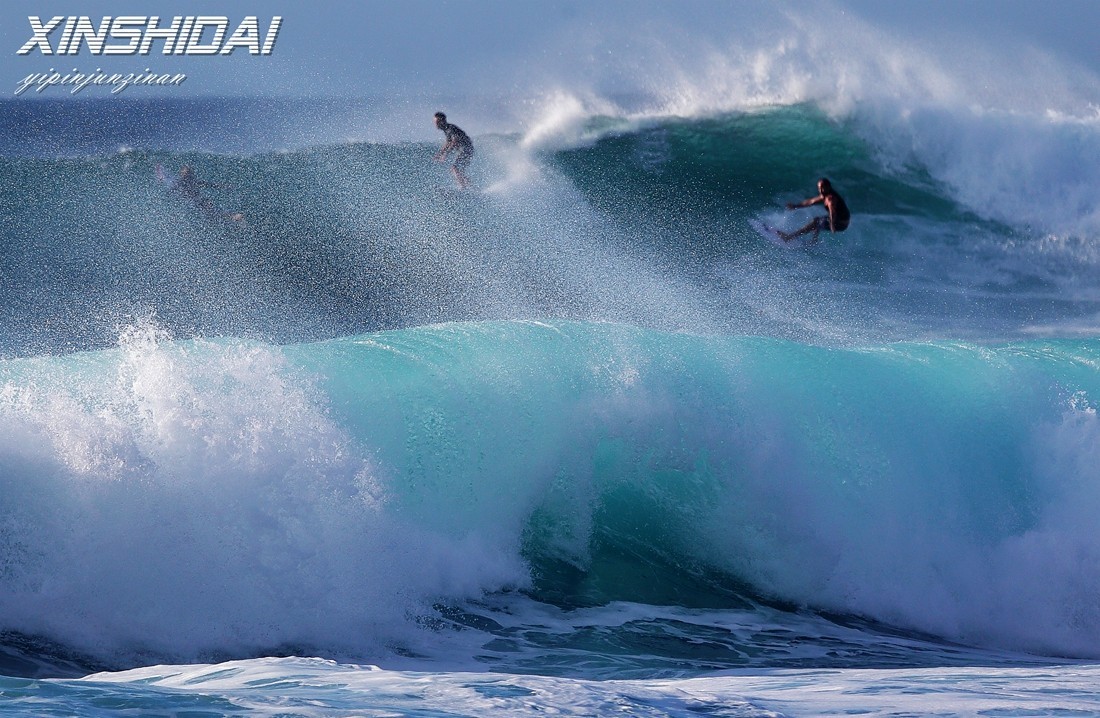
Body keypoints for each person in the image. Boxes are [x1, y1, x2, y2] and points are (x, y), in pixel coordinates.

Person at [779, 177, 849, 242]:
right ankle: (814, 241)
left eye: (823, 188)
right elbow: (811, 202)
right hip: (838, 220)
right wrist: (795, 206)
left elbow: (832, 211)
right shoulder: (825, 195)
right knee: (818, 220)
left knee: (816, 222)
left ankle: (789, 237)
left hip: (841, 223)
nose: (820, 190)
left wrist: (832, 224)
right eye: (819, 188)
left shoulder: (830, 198)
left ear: (828, 187)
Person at [170, 165, 244, 222]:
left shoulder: (181, 182)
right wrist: (223, 186)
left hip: (196, 202)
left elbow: (174, 190)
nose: (182, 173)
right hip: (201, 200)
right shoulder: (193, 180)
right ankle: (233, 217)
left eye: (183, 172)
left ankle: (233, 217)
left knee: (212, 214)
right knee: (213, 213)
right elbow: (209, 184)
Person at [433, 112, 474, 189]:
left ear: (442, 121)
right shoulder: (447, 129)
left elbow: (455, 141)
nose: (435, 124)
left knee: (455, 168)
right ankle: (472, 187)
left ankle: (463, 188)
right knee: (459, 171)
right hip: (466, 149)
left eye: (437, 122)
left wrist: (445, 154)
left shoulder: (451, 128)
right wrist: (439, 154)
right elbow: (448, 143)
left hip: (466, 149)